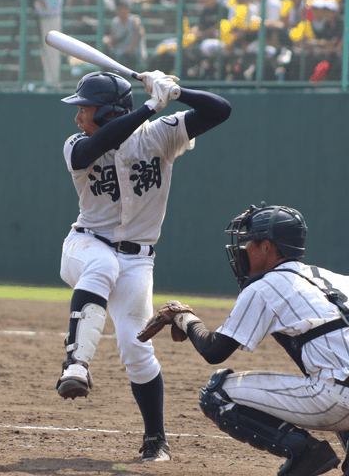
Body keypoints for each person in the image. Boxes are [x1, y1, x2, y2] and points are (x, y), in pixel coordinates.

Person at [55, 70, 231, 461]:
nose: (77, 116)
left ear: (107, 111)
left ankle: (156, 439)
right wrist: (151, 104)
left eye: (84, 108)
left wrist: (177, 91)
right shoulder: (76, 145)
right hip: (85, 245)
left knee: (136, 348)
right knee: (101, 266)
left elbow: (221, 110)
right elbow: (94, 147)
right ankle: (76, 363)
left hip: (137, 260)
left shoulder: (159, 134)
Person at [151, 203, 349, 475]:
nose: (243, 248)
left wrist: (184, 318)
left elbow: (214, 350)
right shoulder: (331, 278)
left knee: (217, 394)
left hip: (337, 399)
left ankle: (307, 454)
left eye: (249, 241)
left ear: (267, 246)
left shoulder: (265, 287)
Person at [104, 0, 145, 72]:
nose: (120, 10)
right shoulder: (115, 22)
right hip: (120, 55)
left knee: (122, 58)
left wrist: (127, 51)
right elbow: (113, 40)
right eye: (118, 7)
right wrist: (109, 44)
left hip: (134, 55)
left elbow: (138, 37)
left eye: (122, 7)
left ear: (128, 9)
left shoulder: (135, 20)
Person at [34, 0, 63, 85]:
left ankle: (53, 83)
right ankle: (49, 82)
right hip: (44, 18)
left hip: (52, 18)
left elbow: (50, 6)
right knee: (45, 53)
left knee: (53, 52)